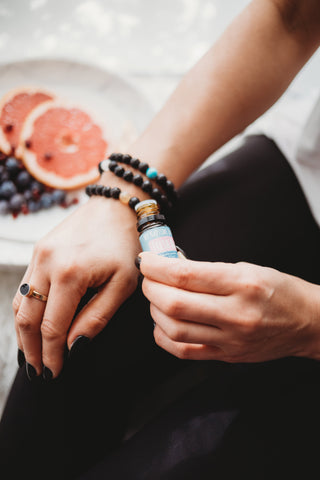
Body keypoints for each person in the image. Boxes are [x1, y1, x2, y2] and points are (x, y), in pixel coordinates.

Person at [1, 0, 320, 478]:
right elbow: (292, 16)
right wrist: (121, 197)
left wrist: (310, 325)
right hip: (309, 184)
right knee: (65, 334)